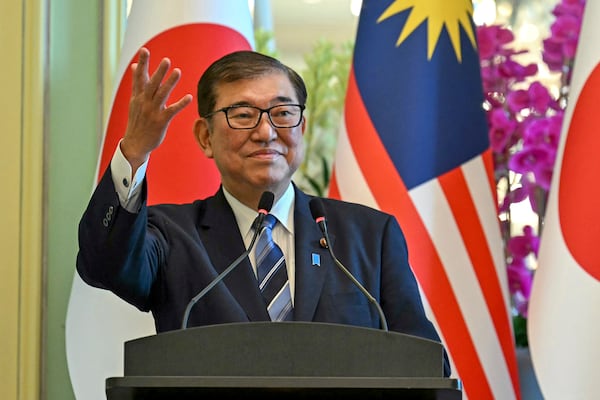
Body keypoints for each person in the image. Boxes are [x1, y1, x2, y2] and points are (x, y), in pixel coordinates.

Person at [76, 47, 450, 376]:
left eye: (283, 113)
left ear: (301, 128)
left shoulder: (369, 234)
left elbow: (425, 363)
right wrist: (135, 152)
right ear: (206, 137)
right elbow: (104, 265)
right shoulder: (172, 234)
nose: (266, 132)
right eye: (242, 115)